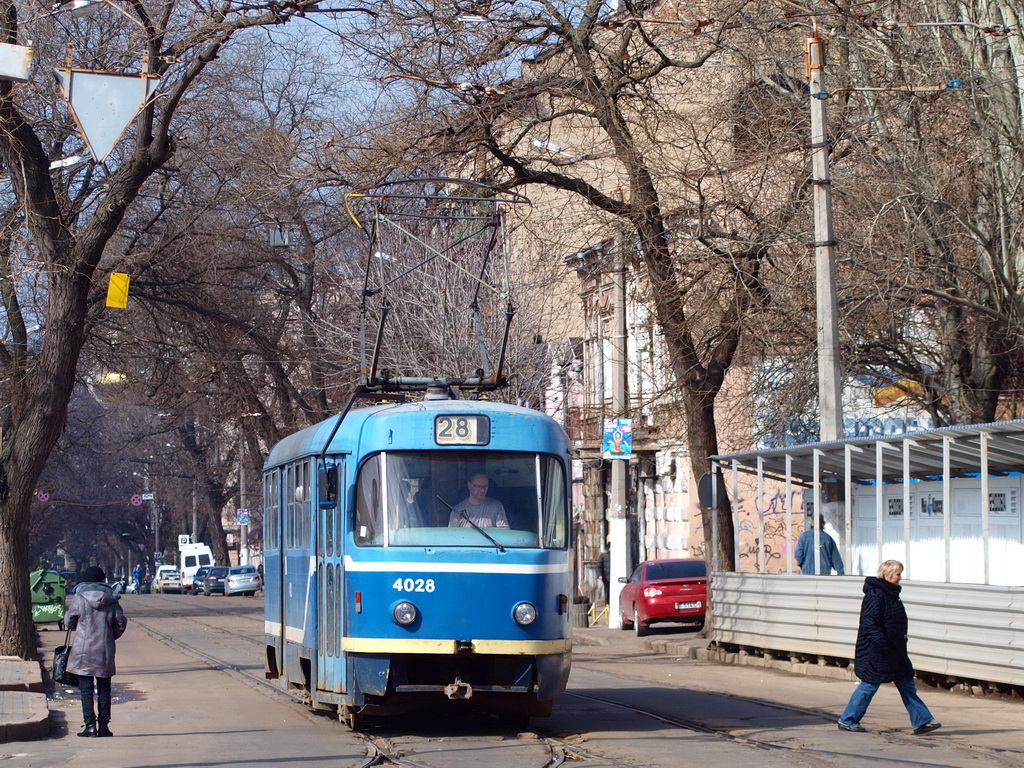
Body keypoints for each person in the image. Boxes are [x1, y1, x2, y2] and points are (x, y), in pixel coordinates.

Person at [837, 560, 941, 735]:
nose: (900, 578)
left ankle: (921, 721)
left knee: (906, 683)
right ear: (887, 575)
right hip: (877, 652)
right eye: (898, 574)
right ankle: (848, 720)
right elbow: (869, 625)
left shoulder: (891, 594)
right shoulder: (875, 595)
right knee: (869, 685)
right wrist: (884, 645)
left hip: (895, 650)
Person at [65, 566, 128, 738]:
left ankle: (90, 727)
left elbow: (69, 621)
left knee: (86, 690)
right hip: (104, 651)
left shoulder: (79, 597)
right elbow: (120, 623)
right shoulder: (112, 599)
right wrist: (109, 636)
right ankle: (104, 727)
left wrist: (79, 626)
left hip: (83, 651)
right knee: (104, 689)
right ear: (102, 580)